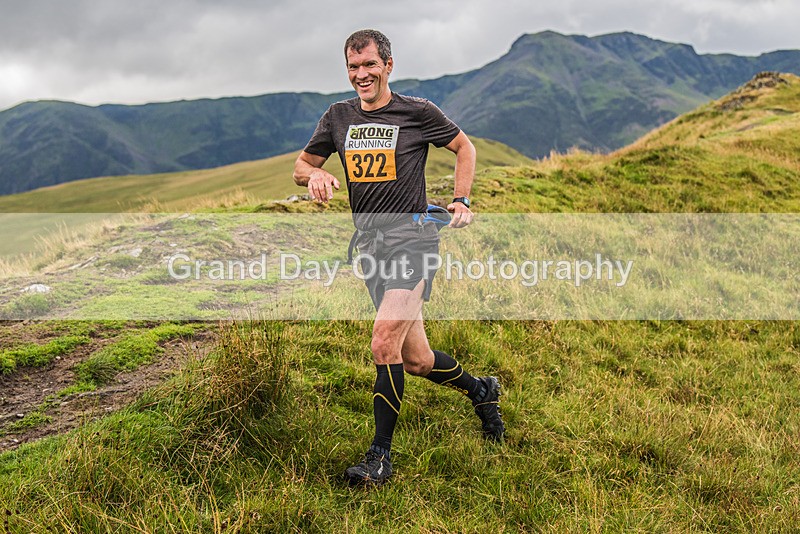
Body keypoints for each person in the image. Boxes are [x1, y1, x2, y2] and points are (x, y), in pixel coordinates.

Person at [293, 29, 504, 486]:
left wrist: (462, 199)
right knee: (417, 360)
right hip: (370, 247)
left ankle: (380, 457)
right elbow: (301, 165)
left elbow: (464, 147)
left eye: (369, 65)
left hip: (414, 239)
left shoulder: (417, 112)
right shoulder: (338, 117)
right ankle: (481, 390)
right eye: (353, 67)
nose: (361, 75)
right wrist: (315, 176)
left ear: (388, 65)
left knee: (383, 341)